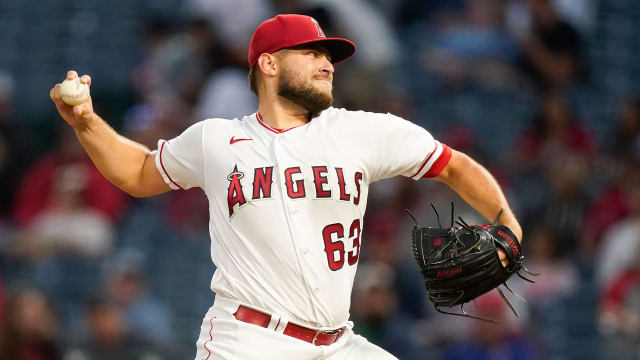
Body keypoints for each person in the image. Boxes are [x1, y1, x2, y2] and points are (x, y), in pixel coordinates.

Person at [50, 14, 522, 360]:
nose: (327, 64)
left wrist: (509, 225)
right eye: (312, 53)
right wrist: (87, 121)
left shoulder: (361, 131)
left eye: (329, 57)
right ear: (270, 64)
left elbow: (454, 166)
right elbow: (137, 173)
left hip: (340, 344)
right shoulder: (216, 139)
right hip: (248, 342)